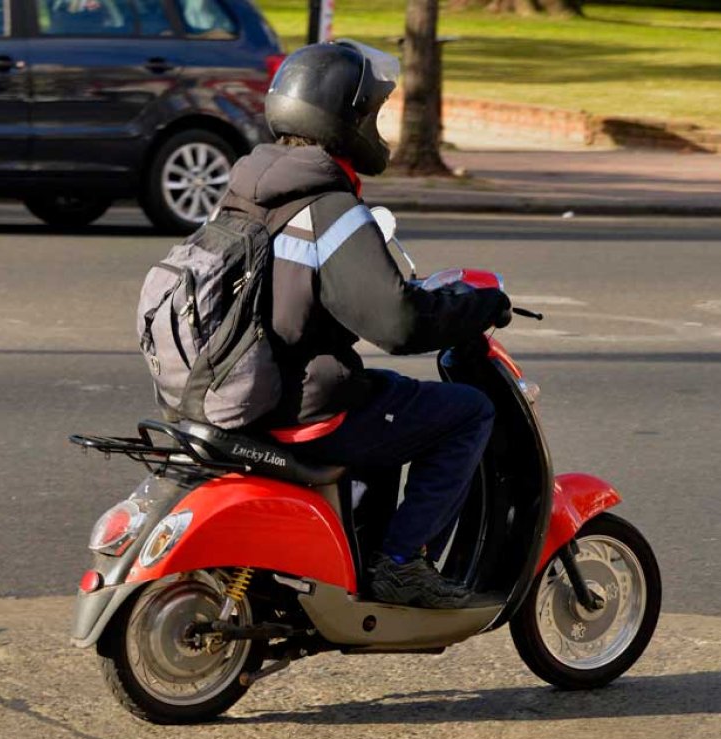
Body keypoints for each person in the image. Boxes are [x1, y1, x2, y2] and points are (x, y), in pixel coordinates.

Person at [216, 40, 510, 609]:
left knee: (389, 402)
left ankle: (356, 554)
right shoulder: (329, 210)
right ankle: (401, 563)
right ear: (346, 121)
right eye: (372, 113)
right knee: (466, 412)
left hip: (231, 390)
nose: (378, 126)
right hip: (299, 404)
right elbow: (398, 326)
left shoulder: (245, 190)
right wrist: (480, 305)